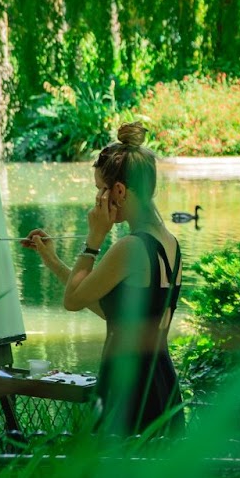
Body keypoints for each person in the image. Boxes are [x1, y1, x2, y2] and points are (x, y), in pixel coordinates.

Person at [26, 122, 184, 438]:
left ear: (120, 191)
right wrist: (54, 261)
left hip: (131, 388)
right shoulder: (169, 243)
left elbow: (72, 302)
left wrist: (94, 239)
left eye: (100, 189)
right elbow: (105, 307)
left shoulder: (131, 247)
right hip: (163, 384)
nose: (97, 198)